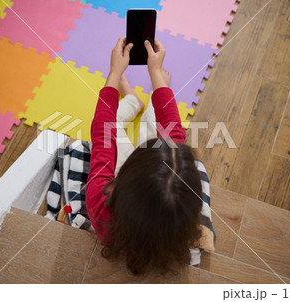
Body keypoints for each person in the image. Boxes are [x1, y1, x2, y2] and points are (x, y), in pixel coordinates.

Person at [85, 37, 204, 275]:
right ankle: (145, 103)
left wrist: (114, 73)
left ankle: (131, 101)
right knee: (157, 130)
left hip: (135, 177)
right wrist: (157, 76)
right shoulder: (181, 221)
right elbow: (172, 132)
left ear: (121, 181)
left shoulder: (100, 202)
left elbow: (102, 134)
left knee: (116, 129)